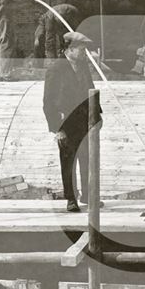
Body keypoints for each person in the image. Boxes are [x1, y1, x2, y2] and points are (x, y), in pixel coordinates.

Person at [43, 31, 103, 212]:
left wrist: (98, 117)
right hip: (66, 124)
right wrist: (57, 129)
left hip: (84, 121)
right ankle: (71, 198)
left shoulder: (83, 65)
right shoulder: (56, 68)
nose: (85, 53)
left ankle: (87, 195)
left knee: (87, 159)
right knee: (69, 162)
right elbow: (48, 101)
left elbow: (91, 91)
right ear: (70, 49)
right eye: (82, 49)